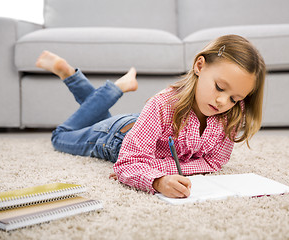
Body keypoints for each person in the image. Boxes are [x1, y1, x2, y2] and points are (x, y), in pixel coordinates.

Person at [36, 35, 266, 199]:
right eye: (219, 87)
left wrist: (157, 167)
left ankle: (106, 86)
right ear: (199, 66)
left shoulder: (231, 114)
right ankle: (107, 86)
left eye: (235, 98)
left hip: (139, 127)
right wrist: (157, 179)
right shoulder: (162, 103)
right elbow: (127, 162)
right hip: (115, 138)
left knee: (97, 119)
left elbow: (214, 162)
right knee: (60, 136)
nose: (223, 102)